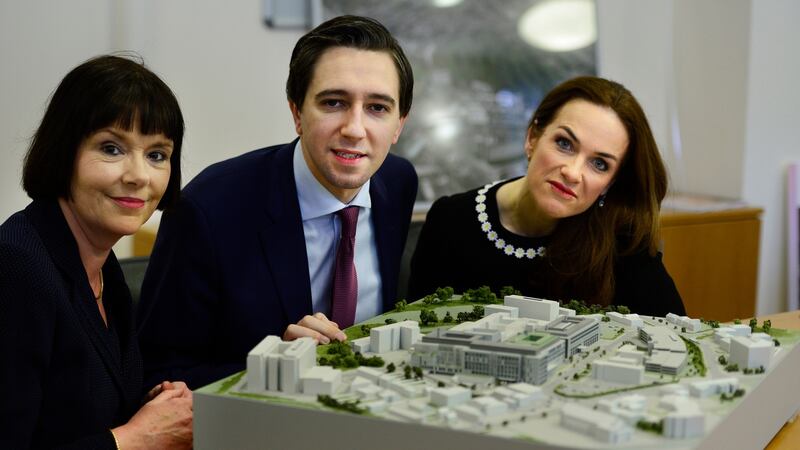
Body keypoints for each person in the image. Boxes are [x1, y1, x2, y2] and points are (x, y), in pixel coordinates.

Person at [136, 15, 417, 390]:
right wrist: (271, 369)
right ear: (297, 113)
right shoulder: (208, 209)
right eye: (333, 102)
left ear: (399, 124)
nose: (354, 128)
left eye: (377, 108)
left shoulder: (397, 183)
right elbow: (159, 372)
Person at [0, 55, 192, 448]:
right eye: (111, 148)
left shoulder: (102, 264)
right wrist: (135, 438)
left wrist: (150, 409)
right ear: (64, 151)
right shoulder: (16, 266)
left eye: (157, 155)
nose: (139, 176)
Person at [408, 76, 685, 318]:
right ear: (532, 138)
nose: (573, 173)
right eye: (564, 144)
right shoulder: (450, 220)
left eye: (599, 164)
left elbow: (677, 337)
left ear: (609, 183)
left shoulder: (622, 242)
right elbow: (414, 332)